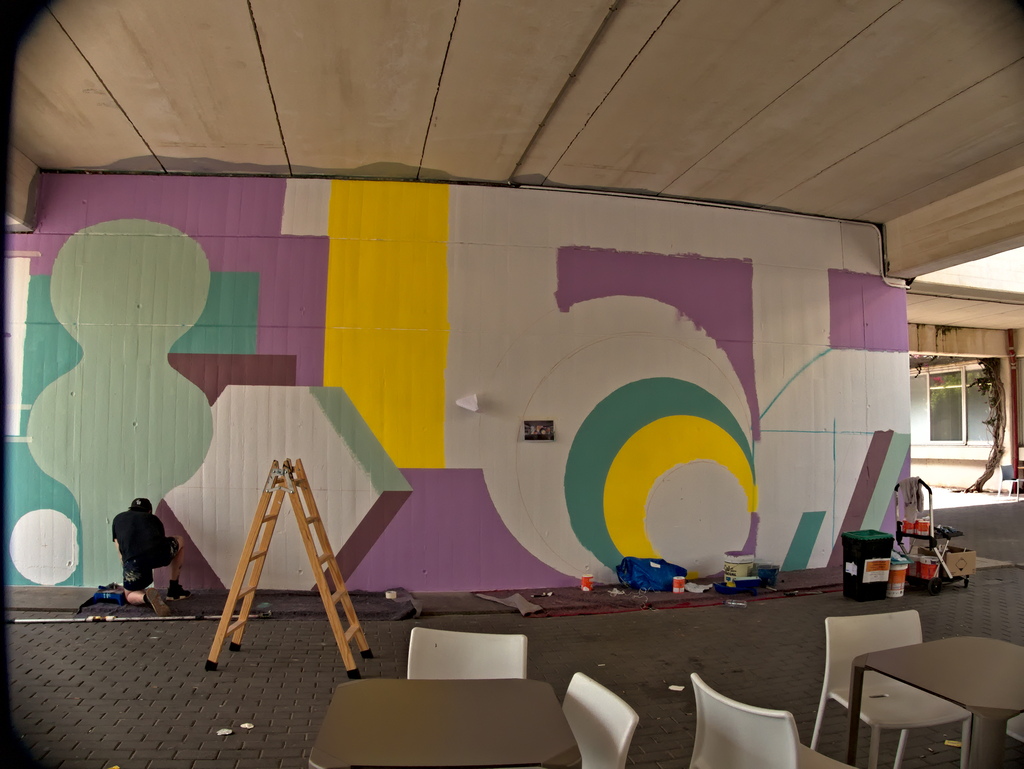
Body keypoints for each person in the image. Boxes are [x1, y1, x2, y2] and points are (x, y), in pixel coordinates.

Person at [111, 497, 190, 616]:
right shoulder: (152, 518)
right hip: (158, 554)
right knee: (180, 540)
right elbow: (161, 541)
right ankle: (174, 590)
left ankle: (146, 598)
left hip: (133, 560)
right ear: (149, 511)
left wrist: (127, 569)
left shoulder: (118, 519)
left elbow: (119, 548)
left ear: (130, 508)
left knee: (130, 594)